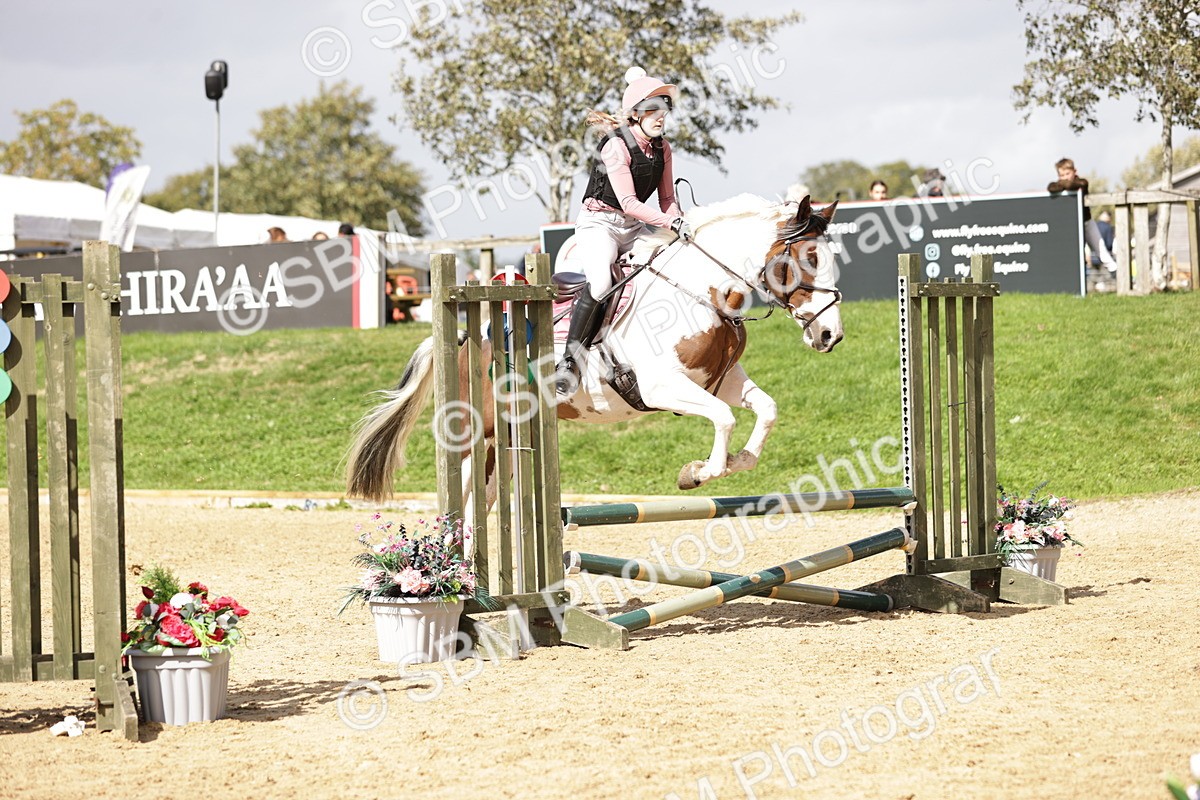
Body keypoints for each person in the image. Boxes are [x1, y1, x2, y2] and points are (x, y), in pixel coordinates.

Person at [555, 66, 688, 394]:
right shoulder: (615, 146)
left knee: (676, 262)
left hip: (633, 225)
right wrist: (669, 222)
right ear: (636, 115)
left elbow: (668, 198)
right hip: (599, 225)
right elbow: (628, 201)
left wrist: (681, 223)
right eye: (653, 111)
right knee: (601, 282)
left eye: (664, 110)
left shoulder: (663, 149)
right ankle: (570, 362)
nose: (661, 117)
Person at [1047, 157, 1115, 269]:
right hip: (1071, 225)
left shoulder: (1082, 183)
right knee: (1077, 252)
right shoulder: (1058, 185)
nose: (1064, 178)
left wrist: (1063, 184)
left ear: (1075, 171)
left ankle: (1115, 271)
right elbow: (1051, 187)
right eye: (1061, 175)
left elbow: (1071, 185)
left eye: (1067, 174)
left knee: (1101, 250)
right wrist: (1062, 184)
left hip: (1086, 222)